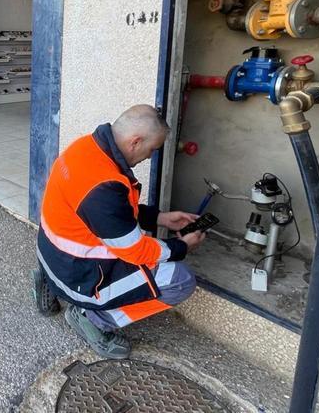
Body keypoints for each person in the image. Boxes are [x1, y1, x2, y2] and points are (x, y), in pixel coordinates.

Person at [33, 105, 205, 359]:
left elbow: (111, 215)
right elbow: (135, 251)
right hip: (76, 273)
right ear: (135, 142)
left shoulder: (85, 147)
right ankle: (91, 318)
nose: (150, 156)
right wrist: (181, 247)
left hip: (49, 255)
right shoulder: (104, 187)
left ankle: (46, 281)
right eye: (153, 149)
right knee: (180, 280)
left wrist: (160, 218)